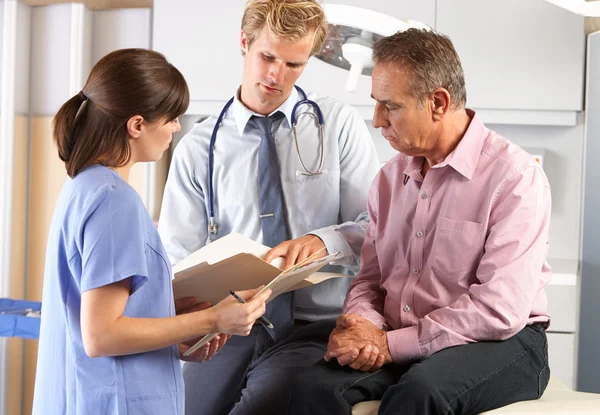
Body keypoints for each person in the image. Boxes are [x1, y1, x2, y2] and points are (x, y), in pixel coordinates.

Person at [289, 28, 552, 415]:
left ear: (438, 103)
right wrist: (361, 326)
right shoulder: (389, 179)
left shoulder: (514, 178)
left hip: (502, 340)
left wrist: (390, 345)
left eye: (390, 106)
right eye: (376, 104)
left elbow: (499, 309)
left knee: (420, 392)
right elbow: (370, 280)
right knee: (312, 386)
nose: (377, 120)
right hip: (401, 333)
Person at [158, 0, 381, 413]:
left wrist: (323, 239)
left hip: (313, 327)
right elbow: (176, 256)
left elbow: (377, 227)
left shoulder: (336, 125)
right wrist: (193, 322)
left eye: (294, 64)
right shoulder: (197, 148)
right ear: (244, 43)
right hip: (229, 325)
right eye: (267, 57)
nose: (277, 75)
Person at [32, 48, 271, 415]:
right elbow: (101, 335)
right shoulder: (114, 201)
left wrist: (174, 323)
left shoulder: (83, 188)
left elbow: (98, 318)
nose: (176, 128)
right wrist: (214, 319)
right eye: (172, 118)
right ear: (137, 125)